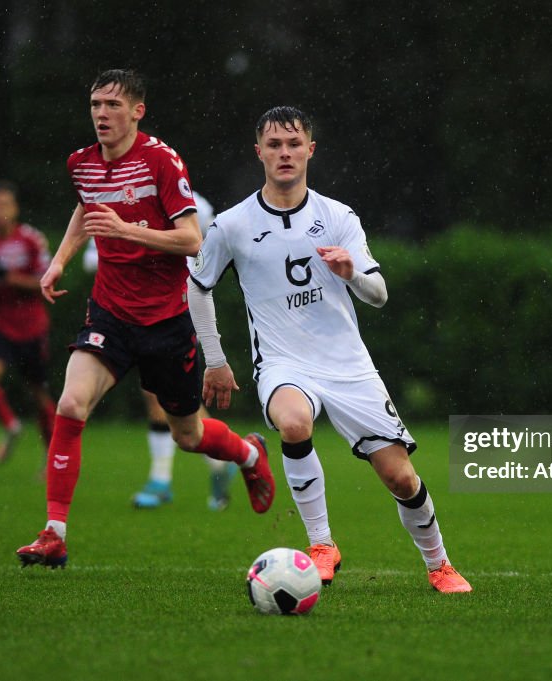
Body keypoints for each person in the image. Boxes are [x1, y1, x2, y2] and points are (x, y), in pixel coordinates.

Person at [187, 106, 471, 593]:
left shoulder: (338, 216)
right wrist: (215, 360)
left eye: (294, 144)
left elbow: (378, 294)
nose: (284, 153)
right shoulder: (232, 225)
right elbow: (198, 285)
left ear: (310, 150)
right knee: (293, 422)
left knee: (400, 478)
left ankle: (439, 564)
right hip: (281, 362)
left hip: (348, 366)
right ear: (258, 152)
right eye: (274, 145)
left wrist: (352, 273)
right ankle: (321, 543)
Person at [15, 69, 275, 569]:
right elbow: (87, 208)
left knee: (189, 435)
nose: (101, 115)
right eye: (94, 105)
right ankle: (54, 533)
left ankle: (248, 454)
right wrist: (60, 260)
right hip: (110, 313)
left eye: (112, 105)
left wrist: (127, 231)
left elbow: (191, 240)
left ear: (138, 111)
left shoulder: (161, 160)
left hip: (167, 321)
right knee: (71, 404)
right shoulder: (82, 163)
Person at [82, 191, 237, 510]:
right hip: (127, 310)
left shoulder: (194, 203)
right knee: (169, 399)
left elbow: (209, 250)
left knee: (161, 395)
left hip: (173, 308)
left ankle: (166, 477)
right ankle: (220, 461)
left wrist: (148, 247)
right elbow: (89, 257)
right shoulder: (110, 199)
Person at [0, 180, 58, 465]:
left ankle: (52, 457)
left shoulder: (31, 240)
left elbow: (47, 282)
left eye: (4, 205)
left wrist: (8, 277)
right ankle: (11, 426)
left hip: (31, 326)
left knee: (39, 395)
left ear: (16, 208)